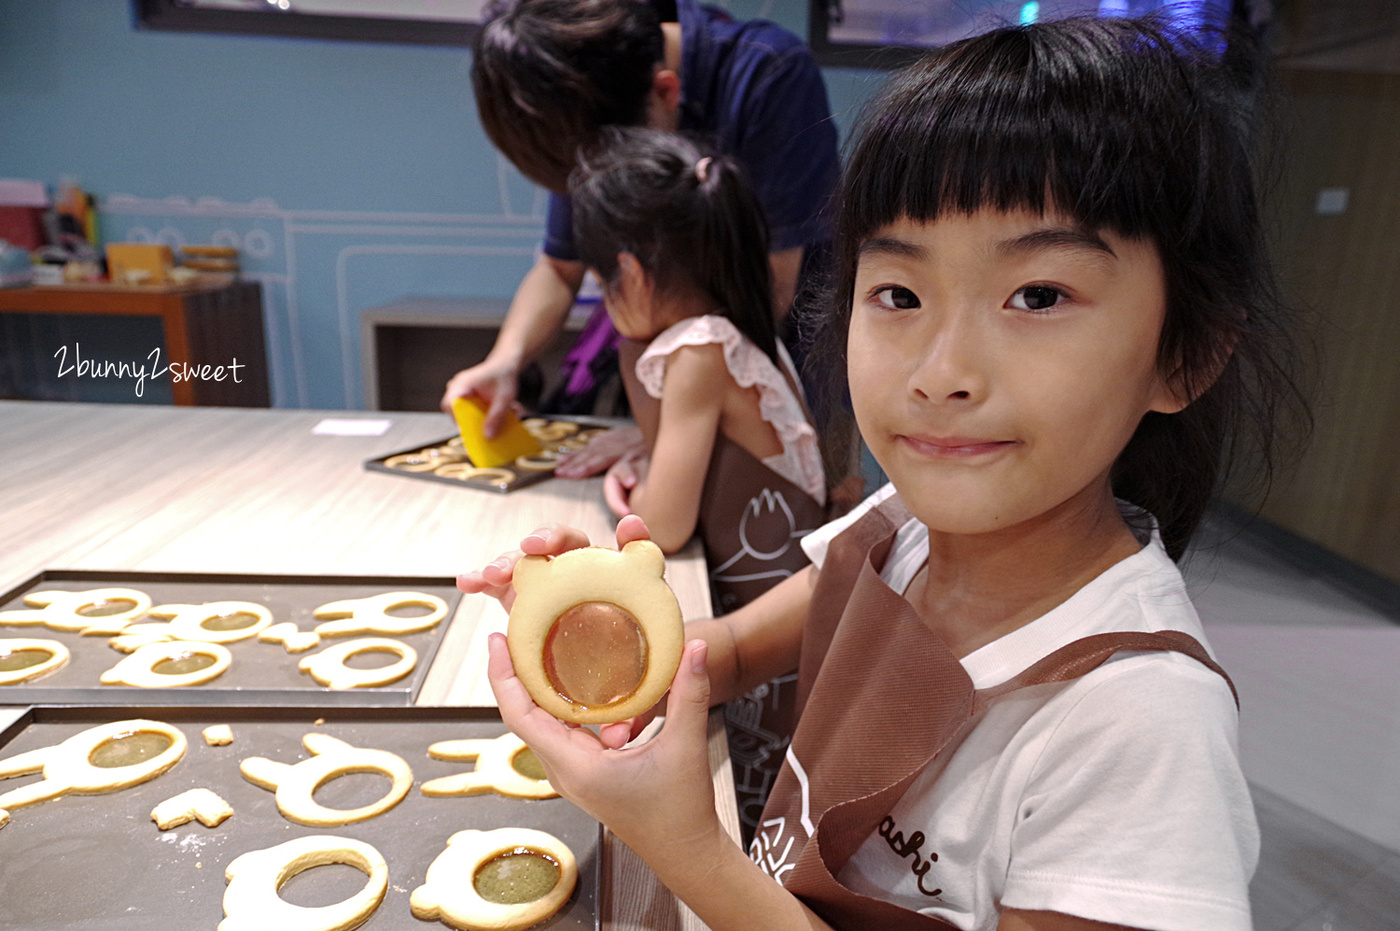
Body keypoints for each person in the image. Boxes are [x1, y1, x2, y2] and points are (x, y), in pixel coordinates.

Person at [460, 14, 1309, 931]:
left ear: (1183, 356)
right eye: (898, 293)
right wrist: (599, 644)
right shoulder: (895, 531)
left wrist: (689, 850)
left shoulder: (1139, 727)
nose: (940, 371)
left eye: (1039, 295)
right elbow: (732, 652)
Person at [441, 0, 840, 462]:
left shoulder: (769, 74)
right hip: (677, 395)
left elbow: (769, 289)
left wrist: (671, 432)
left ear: (666, 91)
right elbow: (560, 268)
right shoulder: (586, 112)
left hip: (785, 376)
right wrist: (505, 361)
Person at [570, 126, 827, 839]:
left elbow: (665, 525)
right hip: (769, 614)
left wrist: (629, 371)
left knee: (747, 803)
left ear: (634, 271)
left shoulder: (698, 350)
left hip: (767, 640)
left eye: (600, 280)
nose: (599, 296)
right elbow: (672, 458)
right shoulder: (735, 332)